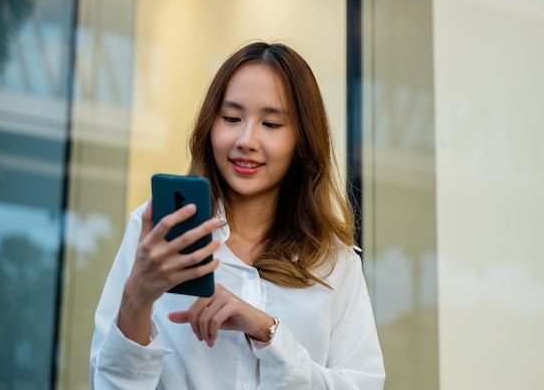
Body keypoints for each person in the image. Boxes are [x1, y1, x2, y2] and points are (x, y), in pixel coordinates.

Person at [89, 41, 385, 389]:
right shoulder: (155, 229)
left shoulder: (334, 261)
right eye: (231, 118)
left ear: (301, 140)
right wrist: (137, 300)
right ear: (210, 126)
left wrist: (266, 331)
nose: (246, 139)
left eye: (271, 124)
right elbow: (108, 384)